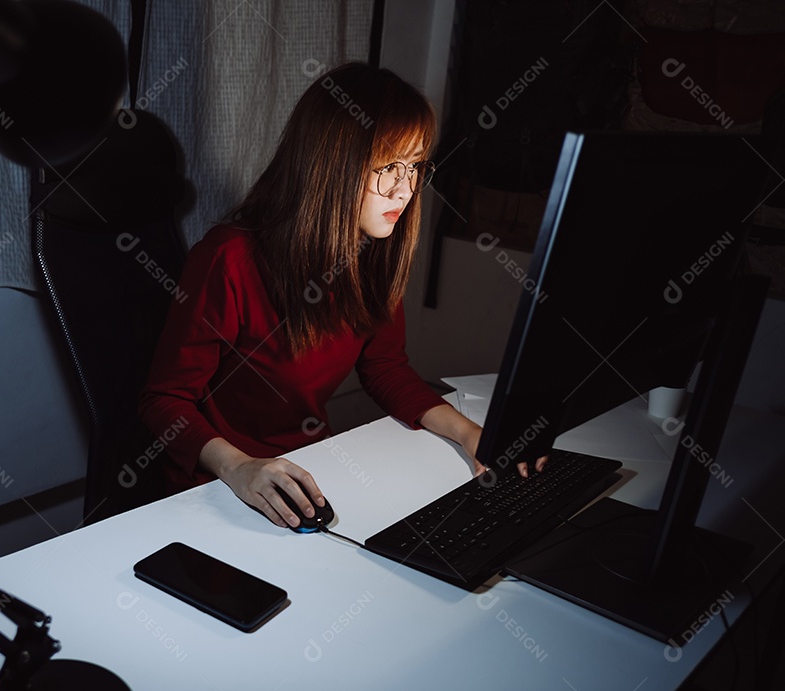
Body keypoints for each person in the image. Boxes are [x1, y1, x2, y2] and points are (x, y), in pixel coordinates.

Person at [139, 63, 543, 530]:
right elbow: (164, 400)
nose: (405, 188)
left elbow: (385, 366)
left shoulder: (374, 250)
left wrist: (471, 433)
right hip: (219, 487)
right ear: (330, 164)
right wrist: (237, 467)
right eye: (387, 167)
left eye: (414, 166)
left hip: (313, 472)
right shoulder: (228, 259)